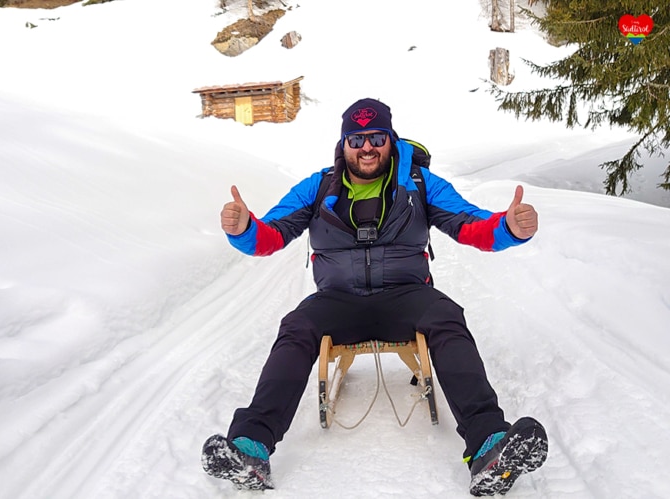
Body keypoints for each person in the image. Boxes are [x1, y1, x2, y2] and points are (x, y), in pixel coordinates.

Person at [201, 98, 548, 496]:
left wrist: (510, 228)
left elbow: (472, 225)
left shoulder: (419, 184)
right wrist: (244, 228)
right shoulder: (317, 187)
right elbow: (271, 235)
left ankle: (489, 447)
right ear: (344, 144)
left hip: (408, 295)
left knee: (447, 317)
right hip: (338, 299)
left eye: (376, 137)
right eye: (357, 138)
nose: (367, 147)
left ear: (391, 139)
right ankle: (251, 448)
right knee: (297, 326)